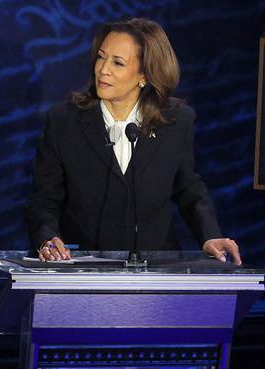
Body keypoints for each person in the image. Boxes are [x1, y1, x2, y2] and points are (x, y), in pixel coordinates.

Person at [27, 19, 243, 265]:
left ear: (144, 74)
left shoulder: (176, 121)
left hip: (155, 272)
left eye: (117, 63)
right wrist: (47, 238)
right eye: (101, 57)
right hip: (84, 269)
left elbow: (188, 188)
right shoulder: (64, 121)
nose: (103, 70)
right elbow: (44, 199)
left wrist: (209, 235)